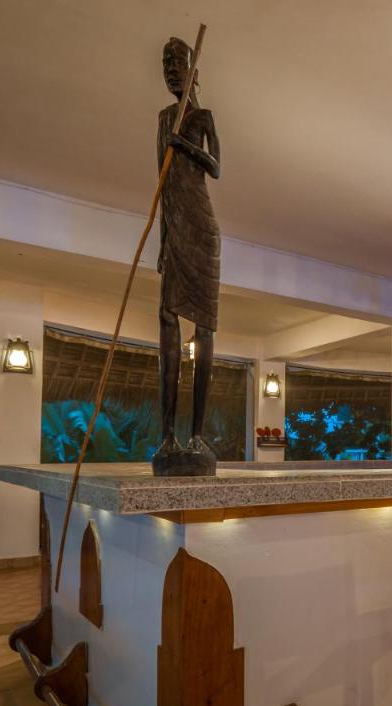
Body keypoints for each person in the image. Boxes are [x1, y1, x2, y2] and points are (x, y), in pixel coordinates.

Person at [154, 35, 221, 474]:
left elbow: (216, 167)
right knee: (166, 317)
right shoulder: (163, 118)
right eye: (166, 65)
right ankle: (167, 436)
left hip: (203, 227)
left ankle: (197, 435)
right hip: (176, 225)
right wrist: (163, 238)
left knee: (204, 328)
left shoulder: (203, 116)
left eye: (178, 63)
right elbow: (161, 184)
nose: (171, 71)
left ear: (193, 70)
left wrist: (187, 145)